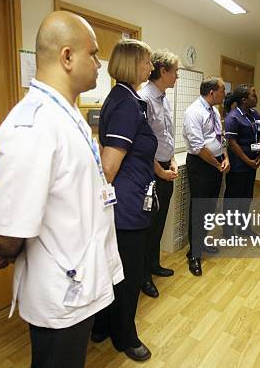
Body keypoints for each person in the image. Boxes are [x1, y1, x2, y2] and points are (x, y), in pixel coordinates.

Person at [0, 11, 124, 368]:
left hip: (80, 278)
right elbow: (1, 235)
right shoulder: (34, 124)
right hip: (62, 289)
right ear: (67, 57)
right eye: (93, 54)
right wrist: (13, 242)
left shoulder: (66, 113)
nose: (98, 63)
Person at [91, 39, 156, 362]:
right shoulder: (127, 104)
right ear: (132, 64)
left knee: (115, 272)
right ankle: (125, 337)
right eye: (146, 61)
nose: (150, 67)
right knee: (128, 276)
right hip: (126, 207)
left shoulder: (126, 98)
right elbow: (108, 167)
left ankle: (103, 326)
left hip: (128, 199)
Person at [138, 49, 179, 299]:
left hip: (166, 167)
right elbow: (142, 145)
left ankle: (153, 265)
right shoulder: (144, 99)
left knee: (159, 223)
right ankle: (143, 275)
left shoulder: (164, 98)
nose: (177, 77)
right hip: (152, 172)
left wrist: (172, 160)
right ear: (162, 71)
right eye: (175, 72)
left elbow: (166, 137)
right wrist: (160, 171)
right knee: (148, 226)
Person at [183, 77, 230, 276]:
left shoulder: (214, 110)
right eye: (222, 90)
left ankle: (201, 243)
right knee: (199, 208)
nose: (224, 94)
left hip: (216, 162)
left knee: (210, 206)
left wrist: (225, 157)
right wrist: (217, 163)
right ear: (212, 92)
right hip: (202, 165)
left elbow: (219, 138)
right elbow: (198, 146)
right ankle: (194, 254)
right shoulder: (193, 112)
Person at [223, 86, 260, 238]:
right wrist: (248, 161)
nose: (256, 97)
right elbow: (232, 143)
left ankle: (243, 227)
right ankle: (228, 231)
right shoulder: (233, 117)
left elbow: (257, 136)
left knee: (247, 197)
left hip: (252, 165)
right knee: (233, 199)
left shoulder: (255, 114)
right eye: (253, 95)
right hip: (239, 166)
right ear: (244, 100)